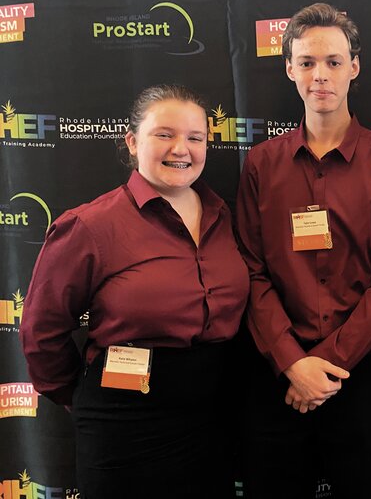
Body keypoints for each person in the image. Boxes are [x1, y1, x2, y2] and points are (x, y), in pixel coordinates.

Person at [20, 84, 250, 499]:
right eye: (164, 134)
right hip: (124, 423)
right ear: (131, 141)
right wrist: (85, 397)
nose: (181, 148)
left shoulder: (223, 216)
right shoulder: (90, 226)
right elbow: (41, 330)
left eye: (195, 138)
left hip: (210, 416)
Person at [236, 2, 371, 499]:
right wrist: (294, 363)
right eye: (308, 62)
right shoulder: (260, 164)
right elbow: (250, 271)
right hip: (279, 376)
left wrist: (326, 365)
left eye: (334, 62)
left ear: (354, 68)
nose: (321, 76)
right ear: (290, 68)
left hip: (363, 375)